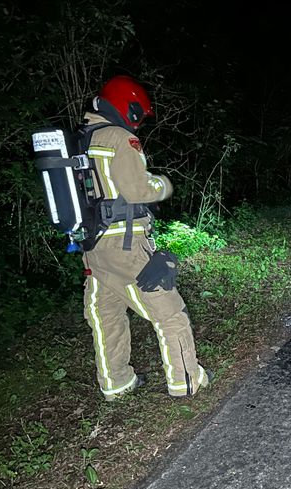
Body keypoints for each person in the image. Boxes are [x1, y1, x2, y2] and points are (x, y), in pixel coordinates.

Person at [81, 75, 212, 399]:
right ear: (129, 108)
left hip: (94, 246)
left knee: (105, 313)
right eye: (138, 116)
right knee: (168, 311)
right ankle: (186, 380)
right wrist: (163, 185)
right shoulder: (120, 139)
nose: (138, 124)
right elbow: (138, 189)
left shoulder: (83, 138)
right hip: (124, 243)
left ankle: (116, 383)